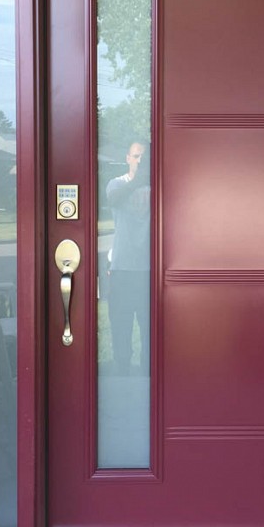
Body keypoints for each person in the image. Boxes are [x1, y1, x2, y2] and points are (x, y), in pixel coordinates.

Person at [106, 140, 150, 375]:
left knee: (149, 330)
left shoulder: (159, 186)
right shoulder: (116, 184)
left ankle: (147, 379)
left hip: (149, 270)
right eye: (136, 156)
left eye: (144, 156)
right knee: (120, 327)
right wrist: (137, 182)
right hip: (122, 268)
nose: (140, 160)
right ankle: (122, 374)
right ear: (127, 158)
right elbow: (113, 200)